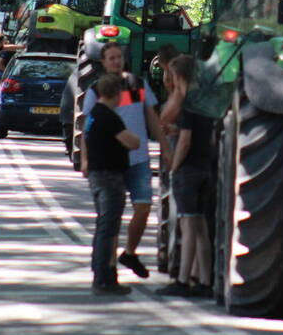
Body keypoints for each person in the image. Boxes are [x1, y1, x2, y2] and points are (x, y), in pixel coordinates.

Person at [79, 41, 172, 279]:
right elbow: (88, 127)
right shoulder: (97, 89)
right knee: (112, 216)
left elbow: (152, 118)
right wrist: (86, 159)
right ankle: (108, 266)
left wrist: (165, 147)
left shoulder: (136, 84)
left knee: (144, 206)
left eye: (119, 57)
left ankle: (129, 252)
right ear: (103, 62)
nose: (116, 62)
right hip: (111, 162)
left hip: (138, 159)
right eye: (111, 58)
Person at [157, 56, 213, 297]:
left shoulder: (188, 103)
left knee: (187, 225)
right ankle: (205, 281)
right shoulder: (205, 102)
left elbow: (185, 141)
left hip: (188, 170)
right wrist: (176, 129)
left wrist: (175, 166)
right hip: (205, 167)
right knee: (201, 226)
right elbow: (201, 134)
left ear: (179, 76)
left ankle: (182, 280)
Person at [84, 73, 141, 296]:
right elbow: (132, 142)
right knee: (109, 229)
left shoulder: (93, 114)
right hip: (110, 177)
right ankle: (103, 278)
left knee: (103, 227)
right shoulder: (108, 116)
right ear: (115, 93)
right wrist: (136, 138)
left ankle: (102, 274)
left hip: (97, 175)